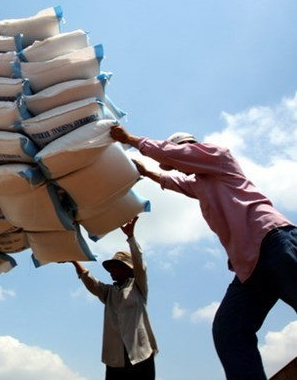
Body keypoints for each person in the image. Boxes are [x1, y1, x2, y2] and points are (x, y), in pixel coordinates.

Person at [109, 124, 296, 380]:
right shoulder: (201, 184)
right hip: (248, 269)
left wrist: (131, 139)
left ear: (190, 146)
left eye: (179, 157)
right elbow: (173, 181)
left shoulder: (219, 156)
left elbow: (179, 158)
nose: (178, 166)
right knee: (229, 330)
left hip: (273, 241)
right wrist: (149, 173)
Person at [69, 216, 158, 380]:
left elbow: (140, 265)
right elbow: (91, 282)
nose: (110, 271)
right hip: (116, 357)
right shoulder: (109, 292)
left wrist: (131, 237)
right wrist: (73, 261)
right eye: (110, 267)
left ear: (127, 269)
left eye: (114, 266)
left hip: (139, 354)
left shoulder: (138, 287)